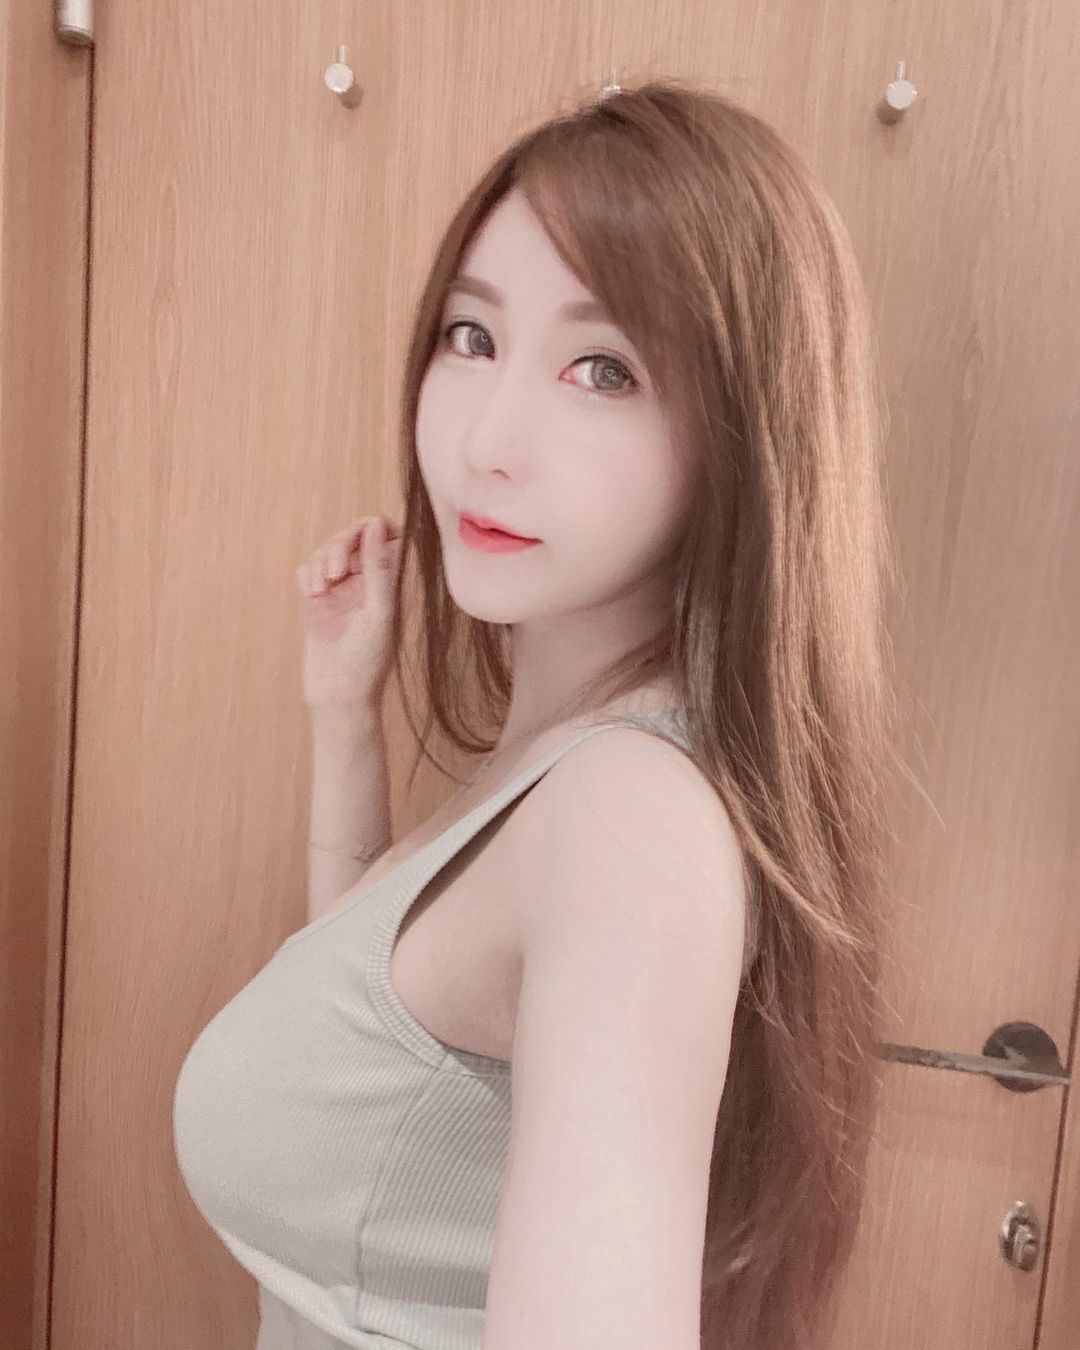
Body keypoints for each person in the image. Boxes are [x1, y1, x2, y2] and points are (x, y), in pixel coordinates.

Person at [174, 77, 899, 1350]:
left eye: (603, 368)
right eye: (472, 336)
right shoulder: (566, 761)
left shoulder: (626, 817)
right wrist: (344, 722)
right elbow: (372, 1041)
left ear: (746, 434)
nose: (487, 440)